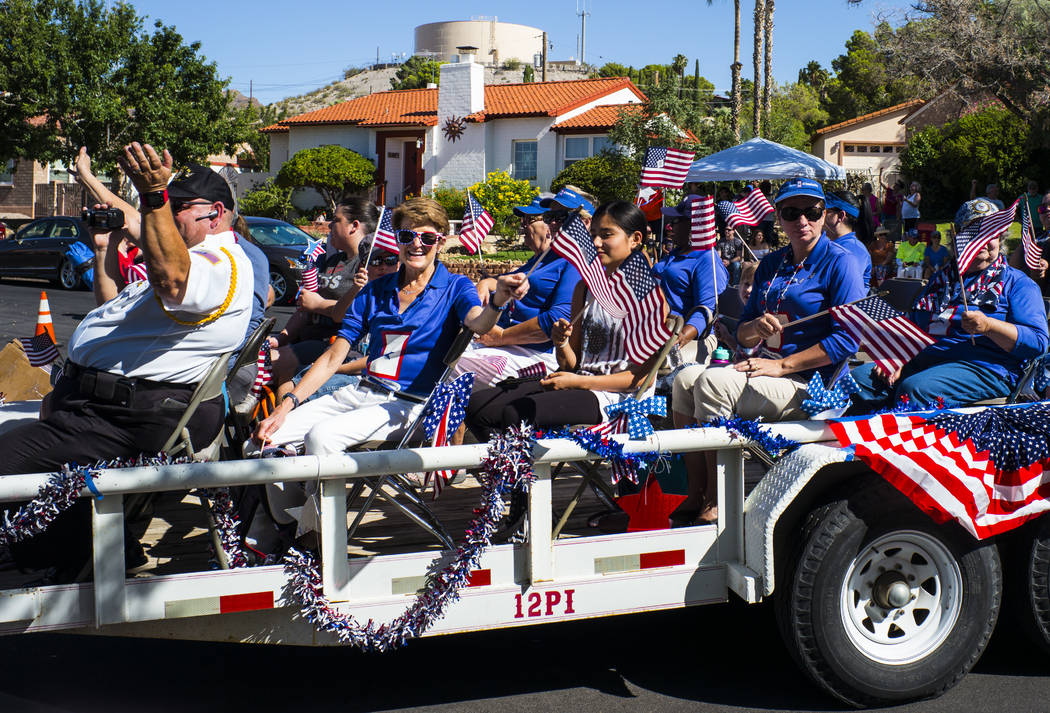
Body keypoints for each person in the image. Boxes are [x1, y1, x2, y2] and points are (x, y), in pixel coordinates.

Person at [1, 142, 254, 580]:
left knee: (5, 459)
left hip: (123, 416)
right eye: (168, 206)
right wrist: (102, 227)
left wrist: (155, 193)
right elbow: (126, 268)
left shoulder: (220, 261)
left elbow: (174, 283)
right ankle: (101, 548)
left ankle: (61, 555)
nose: (168, 216)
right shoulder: (190, 256)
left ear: (214, 213)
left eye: (179, 207)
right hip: (98, 408)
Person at [252, 197, 528, 531]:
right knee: (262, 441)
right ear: (397, 239)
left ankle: (319, 542)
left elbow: (478, 324)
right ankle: (295, 527)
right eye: (408, 237)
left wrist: (498, 301)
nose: (417, 245)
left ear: (440, 241)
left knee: (322, 438)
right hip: (362, 392)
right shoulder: (375, 290)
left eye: (427, 238)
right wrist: (288, 405)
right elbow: (333, 356)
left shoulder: (455, 287)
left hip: (411, 404)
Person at [674, 177, 865, 526]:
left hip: (815, 385)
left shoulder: (841, 262)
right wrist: (755, 328)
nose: (802, 220)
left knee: (713, 383)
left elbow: (848, 340)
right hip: (765, 367)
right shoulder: (771, 263)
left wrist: (784, 366)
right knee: (684, 378)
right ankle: (698, 490)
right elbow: (744, 333)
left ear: (825, 215)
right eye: (792, 212)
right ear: (778, 217)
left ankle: (721, 500)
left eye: (812, 211)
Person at [466, 200, 663, 441]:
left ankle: (527, 473)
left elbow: (641, 378)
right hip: (579, 381)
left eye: (607, 235)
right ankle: (513, 470)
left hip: (617, 397)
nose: (597, 243)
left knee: (516, 413)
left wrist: (577, 381)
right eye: (594, 235)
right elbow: (572, 364)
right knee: (478, 406)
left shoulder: (649, 297)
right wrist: (561, 344)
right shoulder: (585, 289)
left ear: (635, 239)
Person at [851, 199, 1048, 410]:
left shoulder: (1017, 283)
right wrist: (897, 356)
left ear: (1000, 238)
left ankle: (899, 439)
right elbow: (913, 325)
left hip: (984, 367)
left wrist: (990, 326)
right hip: (925, 361)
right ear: (956, 239)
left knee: (915, 389)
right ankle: (847, 437)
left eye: (990, 233)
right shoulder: (940, 280)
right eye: (971, 231)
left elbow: (1038, 342)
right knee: (858, 379)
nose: (981, 239)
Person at [455, 193, 580, 385]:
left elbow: (558, 320)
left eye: (530, 219)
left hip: (533, 352)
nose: (523, 225)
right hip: (504, 343)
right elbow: (504, 281)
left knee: (451, 364)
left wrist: (501, 337)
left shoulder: (573, 262)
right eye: (548, 218)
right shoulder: (544, 259)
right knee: (437, 347)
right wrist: (485, 284)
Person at [267, 197, 380, 392]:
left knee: (271, 367)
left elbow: (356, 312)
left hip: (334, 345)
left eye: (336, 220)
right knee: (262, 360)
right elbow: (304, 309)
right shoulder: (330, 260)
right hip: (304, 338)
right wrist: (282, 337)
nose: (329, 226)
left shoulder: (369, 266)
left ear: (354, 226)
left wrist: (318, 304)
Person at [824, 190, 873, 289]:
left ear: (841, 216)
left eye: (825, 211)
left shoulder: (853, 250)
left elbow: (848, 292)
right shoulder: (831, 244)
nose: (820, 216)